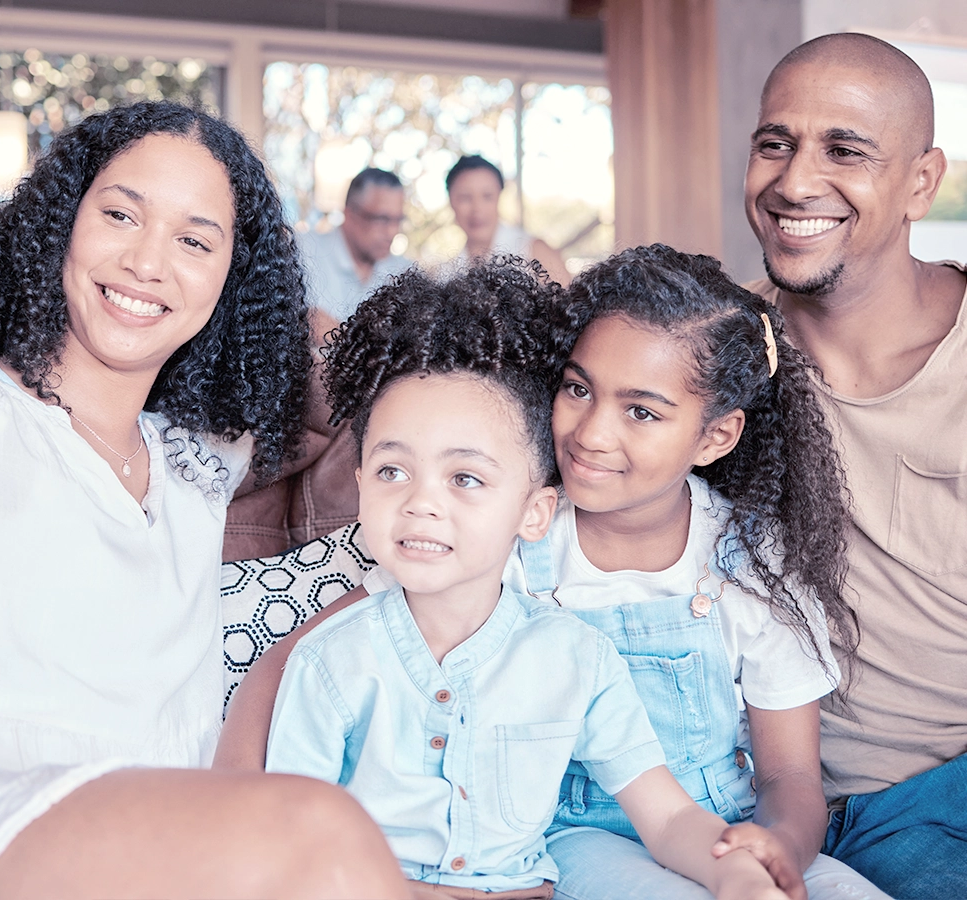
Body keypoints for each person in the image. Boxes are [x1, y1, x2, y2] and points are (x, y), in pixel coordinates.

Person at [0, 102, 411, 900]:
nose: (149, 263)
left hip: (128, 855)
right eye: (121, 214)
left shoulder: (201, 458)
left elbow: (369, 384)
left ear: (232, 282)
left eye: (195, 240)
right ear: (61, 226)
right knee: (317, 836)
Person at [263, 261, 788, 900]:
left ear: (535, 512)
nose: (422, 504)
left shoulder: (578, 658)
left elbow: (668, 814)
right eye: (392, 472)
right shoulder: (329, 665)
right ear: (360, 482)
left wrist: (732, 869)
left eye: (465, 479)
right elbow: (287, 843)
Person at [501, 244, 887, 900]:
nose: (591, 432)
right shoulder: (515, 540)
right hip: (577, 836)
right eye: (577, 388)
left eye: (641, 411)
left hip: (724, 825)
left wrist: (776, 848)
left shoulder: (751, 562)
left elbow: (789, 774)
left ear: (715, 437)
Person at [744, 33, 967, 899]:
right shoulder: (713, 358)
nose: (796, 182)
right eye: (776, 143)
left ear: (920, 181)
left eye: (845, 150)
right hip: (801, 802)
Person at [299, 167, 412, 340]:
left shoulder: (403, 273)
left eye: (398, 220)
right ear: (350, 214)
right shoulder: (301, 252)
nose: (392, 232)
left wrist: (337, 335)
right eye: (382, 219)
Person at [446, 155, 570, 286]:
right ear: (451, 201)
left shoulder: (536, 253)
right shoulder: (445, 274)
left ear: (499, 197)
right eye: (465, 198)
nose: (477, 208)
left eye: (487, 196)